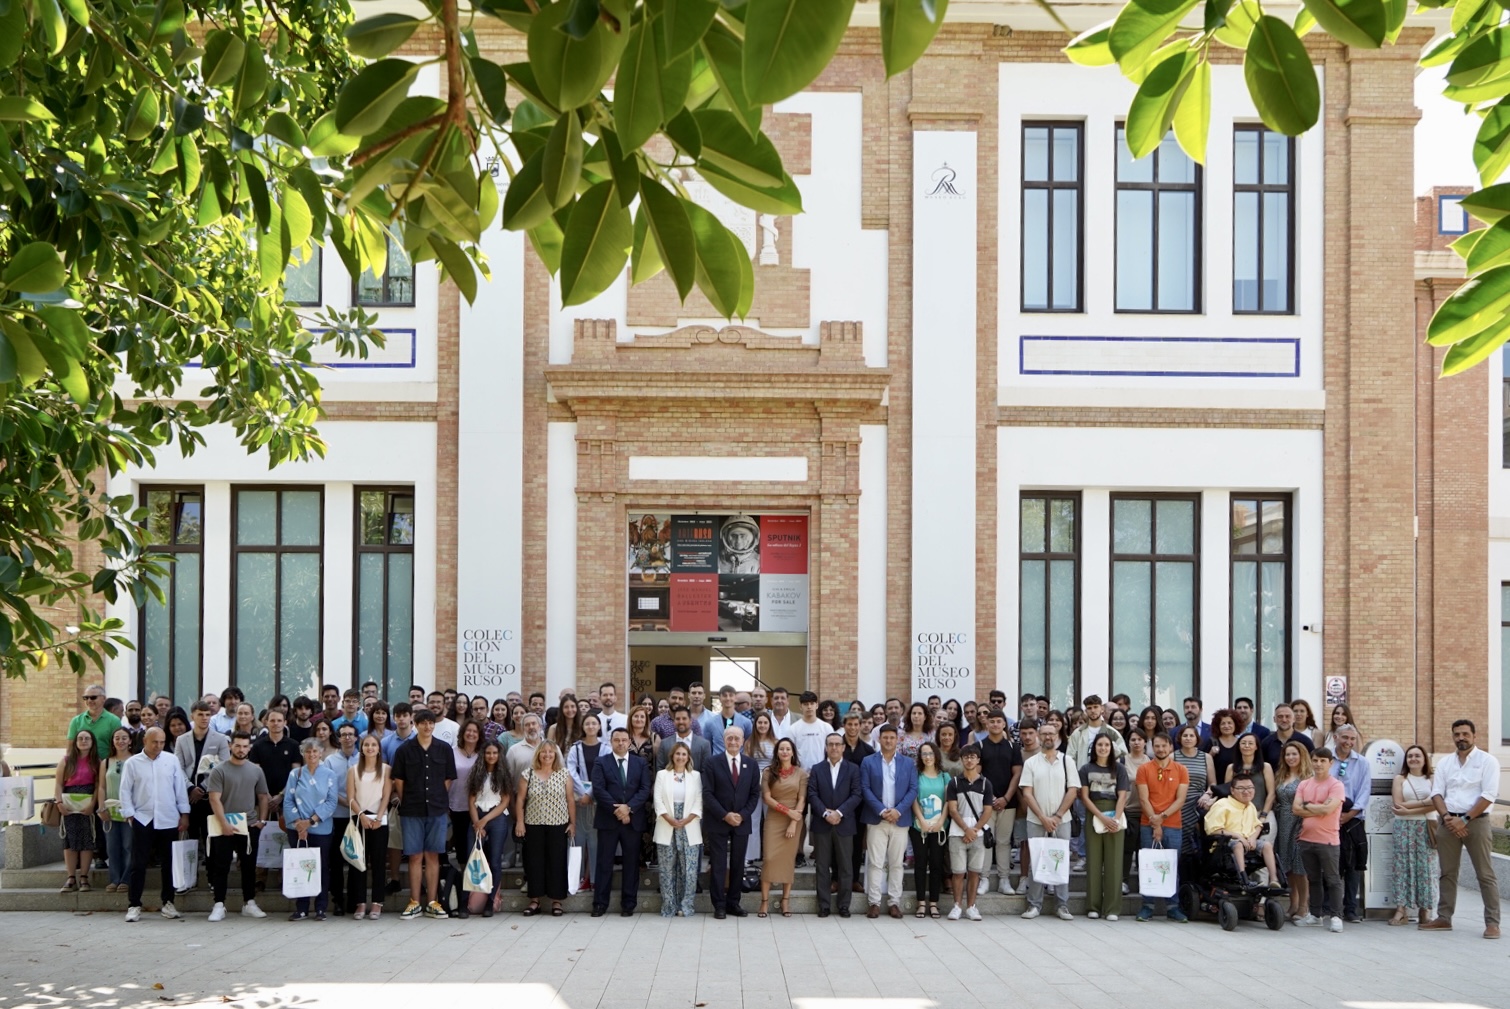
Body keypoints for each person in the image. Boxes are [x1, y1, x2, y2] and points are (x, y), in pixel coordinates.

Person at [1424, 718, 1501, 939]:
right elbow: (1437, 793)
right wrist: (1448, 817)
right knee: (1447, 873)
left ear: (1474, 736)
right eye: (1457, 734)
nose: (1461, 738)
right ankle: (1444, 918)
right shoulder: (1446, 763)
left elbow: (1488, 794)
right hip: (1448, 822)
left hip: (1475, 823)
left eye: (1465, 734)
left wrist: (1465, 819)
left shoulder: (1488, 761)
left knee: (1485, 874)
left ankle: (1492, 923)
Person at [119, 727, 190, 922]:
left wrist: (184, 814)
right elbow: (125, 790)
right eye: (154, 742)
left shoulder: (171, 760)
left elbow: (180, 788)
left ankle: (168, 902)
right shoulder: (133, 763)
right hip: (143, 818)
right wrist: (130, 814)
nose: (158, 746)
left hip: (168, 818)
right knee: (138, 864)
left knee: (168, 863)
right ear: (145, 741)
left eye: (161, 742)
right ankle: (134, 904)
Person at [391, 708, 456, 919]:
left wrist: (437, 796)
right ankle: (414, 902)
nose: (427, 727)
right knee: (415, 856)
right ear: (415, 724)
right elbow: (398, 781)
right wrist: (409, 798)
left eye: (431, 723)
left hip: (436, 810)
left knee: (433, 855)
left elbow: (448, 778)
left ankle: (432, 902)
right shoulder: (404, 750)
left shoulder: (444, 749)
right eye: (423, 723)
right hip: (412, 810)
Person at [205, 730, 270, 921]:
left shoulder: (256, 770)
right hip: (222, 824)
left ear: (250, 747)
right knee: (221, 865)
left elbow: (262, 797)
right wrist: (224, 823)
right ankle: (219, 904)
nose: (241, 749)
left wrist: (262, 820)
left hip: (248, 825)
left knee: (249, 866)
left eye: (245, 746)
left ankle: (249, 902)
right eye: (237, 745)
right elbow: (214, 799)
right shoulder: (219, 770)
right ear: (230, 746)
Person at [589, 727, 652, 917]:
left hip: (632, 820)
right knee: (604, 863)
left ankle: (628, 904)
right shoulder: (601, 762)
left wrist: (628, 808)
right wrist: (617, 809)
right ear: (611, 741)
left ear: (630, 742)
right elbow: (598, 789)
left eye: (624, 740)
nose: (621, 743)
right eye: (617, 740)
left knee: (631, 863)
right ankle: (600, 903)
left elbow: (645, 788)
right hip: (608, 819)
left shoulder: (640, 763)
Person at [1019, 721, 1078, 920]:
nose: (1048, 737)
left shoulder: (1067, 761)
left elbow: (1073, 790)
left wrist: (1058, 815)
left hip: (1063, 819)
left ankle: (1062, 905)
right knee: (1036, 861)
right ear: (1038, 736)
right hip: (1036, 820)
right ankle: (1034, 905)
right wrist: (1043, 817)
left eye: (1051, 734)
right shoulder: (1031, 763)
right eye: (1044, 734)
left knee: (1060, 860)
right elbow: (1027, 792)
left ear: (1057, 736)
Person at [861, 723, 918, 919]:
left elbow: (913, 790)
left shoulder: (908, 763)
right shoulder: (868, 762)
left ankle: (894, 902)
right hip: (877, 819)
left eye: (892, 738)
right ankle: (874, 903)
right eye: (885, 737)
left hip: (899, 820)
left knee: (896, 863)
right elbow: (865, 788)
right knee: (875, 863)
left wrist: (898, 810)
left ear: (897, 740)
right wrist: (881, 810)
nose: (888, 741)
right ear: (879, 739)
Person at [704, 725, 760, 918]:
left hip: (741, 822)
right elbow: (708, 794)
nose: (733, 742)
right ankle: (719, 905)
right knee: (718, 865)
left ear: (743, 741)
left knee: (738, 864)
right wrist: (725, 814)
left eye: (737, 738)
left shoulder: (751, 765)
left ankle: (733, 903)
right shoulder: (712, 762)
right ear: (724, 740)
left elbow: (754, 794)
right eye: (730, 738)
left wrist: (742, 815)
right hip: (718, 821)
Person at [1134, 731, 1190, 922]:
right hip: (1147, 822)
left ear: (1170, 747)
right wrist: (1154, 820)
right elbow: (1143, 798)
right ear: (1152, 747)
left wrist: (1162, 818)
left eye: (1164, 746)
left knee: (1171, 866)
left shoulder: (1181, 769)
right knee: (1149, 865)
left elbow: (1180, 799)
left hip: (1173, 824)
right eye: (1157, 746)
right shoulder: (1144, 769)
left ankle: (1173, 907)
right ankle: (1147, 907)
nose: (1160, 749)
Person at [515, 741, 575, 916]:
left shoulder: (564, 774)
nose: (547, 755)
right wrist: (520, 822)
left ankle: (557, 901)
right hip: (533, 825)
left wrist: (573, 823)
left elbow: (570, 800)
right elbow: (520, 800)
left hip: (558, 824)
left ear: (556, 754)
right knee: (534, 862)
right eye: (543, 752)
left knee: (557, 862)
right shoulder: (528, 774)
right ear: (538, 754)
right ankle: (535, 901)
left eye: (551, 752)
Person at [283, 737, 339, 920]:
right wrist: (299, 823)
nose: (312, 754)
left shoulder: (329, 774)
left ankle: (321, 907)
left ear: (321, 752)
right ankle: (302, 907)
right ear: (303, 753)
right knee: (300, 866)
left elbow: (332, 801)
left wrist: (311, 821)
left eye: (315, 751)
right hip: (297, 828)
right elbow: (288, 800)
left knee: (321, 866)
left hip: (321, 828)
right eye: (308, 751)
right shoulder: (295, 774)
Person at [808, 732, 861, 918]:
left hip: (844, 823)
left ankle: (844, 905)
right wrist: (825, 813)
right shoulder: (816, 769)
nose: (834, 748)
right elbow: (812, 794)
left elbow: (856, 794)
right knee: (822, 866)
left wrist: (838, 813)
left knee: (846, 866)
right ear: (826, 747)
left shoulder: (853, 769)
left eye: (838, 744)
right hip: (822, 824)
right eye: (830, 744)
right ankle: (824, 905)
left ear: (843, 747)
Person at [1293, 746, 1346, 931]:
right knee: (1313, 879)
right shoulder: (1304, 784)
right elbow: (1296, 808)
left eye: (1323, 761)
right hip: (1306, 839)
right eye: (1315, 760)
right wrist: (1317, 806)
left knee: (1332, 879)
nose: (1318, 764)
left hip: (1328, 840)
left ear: (1330, 763)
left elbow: (1328, 809)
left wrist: (1308, 806)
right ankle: (1315, 914)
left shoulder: (1336, 785)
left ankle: (1336, 916)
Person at [1080, 729, 1129, 920]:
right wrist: (1101, 817)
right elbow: (1084, 796)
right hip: (1094, 813)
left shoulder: (1120, 769)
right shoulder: (1086, 769)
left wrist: (1115, 819)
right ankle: (1093, 906)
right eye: (1100, 745)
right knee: (1093, 861)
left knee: (1114, 862)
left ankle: (1112, 908)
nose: (1103, 748)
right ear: (1094, 748)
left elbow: (1123, 795)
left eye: (1107, 745)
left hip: (1115, 814)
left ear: (1112, 748)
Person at [1389, 743, 1438, 927]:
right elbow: (1397, 804)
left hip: (1427, 826)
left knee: (1426, 869)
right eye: (1410, 756)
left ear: (1425, 759)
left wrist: (1409, 809)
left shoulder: (1432, 778)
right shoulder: (1400, 779)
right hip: (1404, 828)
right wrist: (1424, 803)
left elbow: (1437, 804)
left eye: (1417, 756)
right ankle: (1401, 910)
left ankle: (1425, 910)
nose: (1413, 759)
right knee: (1403, 867)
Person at [1205, 773, 1282, 888]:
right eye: (1241, 788)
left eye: (1250, 788)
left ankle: (1274, 880)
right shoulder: (1222, 805)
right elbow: (1213, 830)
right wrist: (1238, 836)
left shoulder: (1250, 806)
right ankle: (1243, 878)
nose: (1246, 791)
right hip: (1224, 844)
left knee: (1266, 845)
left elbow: (1258, 825)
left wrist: (1253, 838)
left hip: (1248, 841)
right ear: (1232, 790)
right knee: (1238, 844)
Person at [945, 743, 995, 921]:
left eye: (973, 757)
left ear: (978, 760)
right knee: (958, 872)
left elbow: (987, 810)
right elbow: (952, 810)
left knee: (974, 872)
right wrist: (966, 830)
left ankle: (971, 906)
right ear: (961, 759)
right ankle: (957, 905)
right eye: (966, 757)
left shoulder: (985, 784)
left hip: (978, 835)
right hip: (957, 833)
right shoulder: (955, 783)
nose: (969, 760)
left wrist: (975, 829)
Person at [758, 737, 807, 918]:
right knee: (769, 858)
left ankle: (786, 900)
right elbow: (767, 798)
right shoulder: (769, 772)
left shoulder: (801, 773)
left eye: (788, 749)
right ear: (777, 752)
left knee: (788, 860)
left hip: (794, 819)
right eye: (781, 749)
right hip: (775, 817)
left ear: (793, 752)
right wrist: (788, 812)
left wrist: (794, 822)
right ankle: (764, 901)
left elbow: (801, 799)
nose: (785, 752)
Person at [345, 732, 392, 919]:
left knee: (379, 862)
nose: (370, 748)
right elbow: (350, 797)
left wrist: (379, 817)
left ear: (379, 748)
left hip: (379, 819)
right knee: (359, 863)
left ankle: (377, 903)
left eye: (373, 745)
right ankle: (360, 902)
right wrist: (362, 816)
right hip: (359, 818)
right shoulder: (353, 770)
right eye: (366, 745)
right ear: (361, 748)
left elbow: (386, 796)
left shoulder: (387, 769)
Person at [653, 741, 702, 917]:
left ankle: (686, 905)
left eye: (684, 754)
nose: (680, 757)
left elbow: (698, 801)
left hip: (689, 825)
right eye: (677, 754)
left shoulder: (695, 776)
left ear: (688, 757)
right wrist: (669, 817)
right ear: (672, 756)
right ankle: (669, 905)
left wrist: (687, 819)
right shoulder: (662, 775)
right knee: (667, 868)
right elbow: (657, 799)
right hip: (667, 823)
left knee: (688, 868)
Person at [463, 739, 510, 918]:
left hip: (496, 818)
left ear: (499, 755)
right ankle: (464, 901)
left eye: (494, 753)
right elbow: (471, 800)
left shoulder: (503, 774)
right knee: (471, 860)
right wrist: (477, 823)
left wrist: (486, 820)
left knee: (496, 861)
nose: (491, 756)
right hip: (477, 817)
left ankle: (490, 901)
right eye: (488, 753)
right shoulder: (476, 773)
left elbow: (505, 801)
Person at [1329, 724, 1370, 921]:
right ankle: (1330, 906)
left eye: (1352, 739)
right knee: (1331, 863)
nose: (1348, 742)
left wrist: (1351, 814)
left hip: (1353, 818)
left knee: (1353, 866)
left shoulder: (1362, 762)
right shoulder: (1327, 758)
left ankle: (1350, 909)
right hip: (1329, 817)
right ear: (1336, 737)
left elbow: (1364, 790)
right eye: (1345, 737)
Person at [1272, 739, 1312, 922]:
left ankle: (1304, 906)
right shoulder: (1281, 774)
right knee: (1287, 865)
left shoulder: (1307, 777)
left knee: (1300, 866)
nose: (1290, 757)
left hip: (1299, 822)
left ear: (1301, 755)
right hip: (1283, 823)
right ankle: (1293, 904)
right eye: (1287, 754)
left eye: (1294, 754)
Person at [324, 722, 360, 915]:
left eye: (351, 734)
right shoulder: (330, 761)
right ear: (338, 738)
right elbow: (329, 788)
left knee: (355, 859)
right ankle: (337, 899)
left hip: (357, 816)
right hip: (336, 816)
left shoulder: (363, 758)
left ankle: (355, 900)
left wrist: (355, 805)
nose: (347, 737)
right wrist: (347, 802)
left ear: (356, 737)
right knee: (336, 861)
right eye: (344, 734)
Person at [56, 730, 99, 892]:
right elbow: (59, 784)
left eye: (87, 738)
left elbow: (97, 786)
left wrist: (92, 804)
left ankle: (84, 877)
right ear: (75, 742)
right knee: (70, 840)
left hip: (87, 804)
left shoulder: (96, 762)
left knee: (87, 840)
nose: (83, 741)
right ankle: (71, 877)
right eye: (80, 738)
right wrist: (59, 802)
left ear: (92, 742)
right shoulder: (67, 761)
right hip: (68, 804)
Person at [567, 712, 604, 893]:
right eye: (587, 723)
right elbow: (571, 771)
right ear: (583, 727)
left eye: (594, 723)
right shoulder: (575, 748)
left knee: (596, 843)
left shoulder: (605, 747)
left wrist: (590, 793)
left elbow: (603, 772)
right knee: (579, 840)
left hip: (598, 801)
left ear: (599, 727)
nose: (590, 726)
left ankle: (595, 880)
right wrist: (583, 793)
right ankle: (578, 879)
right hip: (579, 801)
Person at [97, 728, 135, 892]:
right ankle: (114, 879)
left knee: (128, 845)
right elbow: (101, 787)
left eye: (124, 738)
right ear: (113, 741)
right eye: (117, 738)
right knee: (112, 846)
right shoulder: (105, 762)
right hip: (110, 810)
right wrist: (101, 807)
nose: (120, 741)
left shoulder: (135, 760)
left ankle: (126, 879)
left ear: (130, 741)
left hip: (129, 810)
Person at [1172, 725, 1215, 856]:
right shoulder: (1173, 757)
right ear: (1180, 738)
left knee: (1198, 840)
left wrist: (1207, 794)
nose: (1188, 738)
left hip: (1199, 803)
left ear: (1197, 738)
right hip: (1179, 803)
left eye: (1191, 736)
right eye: (1185, 735)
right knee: (1181, 841)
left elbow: (1213, 783)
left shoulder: (1206, 757)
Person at [1225, 733, 1275, 819]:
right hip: (1238, 815)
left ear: (1256, 747)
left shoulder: (1265, 767)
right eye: (1243, 743)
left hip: (1261, 813)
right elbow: (1227, 793)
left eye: (1251, 743)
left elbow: (1271, 793)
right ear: (1238, 746)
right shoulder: (1231, 768)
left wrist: (1264, 815)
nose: (1246, 746)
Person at [69, 684, 121, 758]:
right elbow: (70, 749)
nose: (89, 700)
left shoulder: (114, 721)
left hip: (105, 764)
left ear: (104, 699)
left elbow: (117, 748)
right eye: (86, 698)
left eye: (93, 697)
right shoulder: (76, 721)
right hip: (82, 767)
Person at [656, 706, 711, 772]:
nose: (681, 722)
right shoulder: (664, 743)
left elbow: (706, 771)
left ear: (690, 721)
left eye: (684, 718)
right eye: (678, 719)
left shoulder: (704, 744)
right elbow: (660, 769)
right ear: (674, 721)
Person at [1261, 703, 1314, 769]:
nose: (1284, 720)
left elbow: (1312, 766)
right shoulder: (1266, 743)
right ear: (1274, 719)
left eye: (1287, 716)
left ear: (1294, 719)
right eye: (1280, 716)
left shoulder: (1305, 742)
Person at [507, 713, 544, 780]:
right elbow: (508, 777)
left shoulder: (552, 748)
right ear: (522, 729)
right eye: (527, 725)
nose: (531, 727)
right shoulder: (513, 750)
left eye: (534, 723)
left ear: (540, 726)